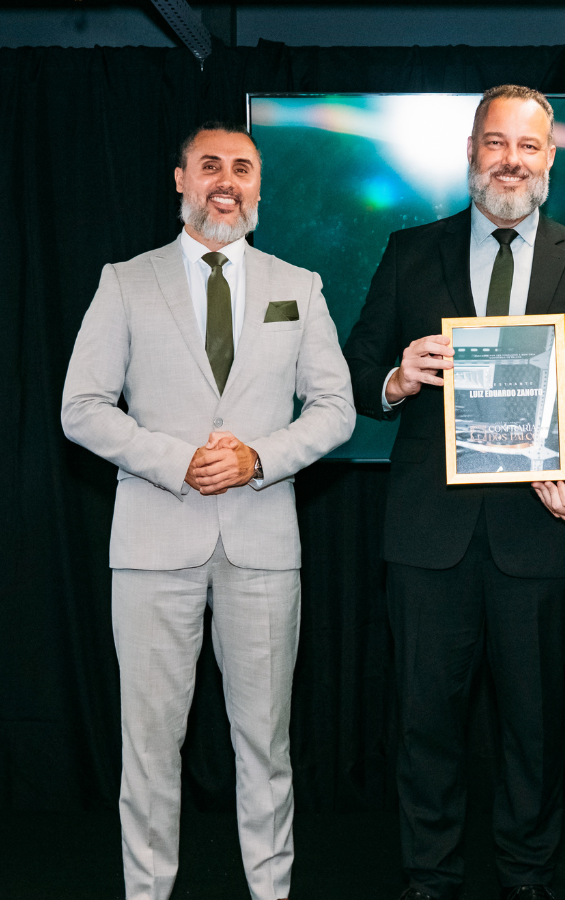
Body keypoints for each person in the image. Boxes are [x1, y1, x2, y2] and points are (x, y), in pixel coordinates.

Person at [343, 85, 565, 900]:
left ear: (550, 158)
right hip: (427, 538)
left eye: (529, 145)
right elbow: (355, 369)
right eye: (496, 142)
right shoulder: (410, 252)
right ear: (471, 151)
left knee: (536, 731)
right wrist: (396, 379)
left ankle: (529, 877)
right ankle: (430, 880)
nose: (511, 159)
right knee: (423, 725)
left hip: (542, 534)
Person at [60, 121, 355, 900]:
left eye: (244, 168)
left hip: (262, 546)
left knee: (265, 744)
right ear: (181, 180)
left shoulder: (301, 285)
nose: (228, 180)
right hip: (155, 544)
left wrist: (258, 457)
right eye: (212, 166)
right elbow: (81, 407)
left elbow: (336, 410)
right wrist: (175, 459)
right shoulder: (125, 281)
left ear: (259, 186)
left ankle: (271, 892)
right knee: (151, 747)